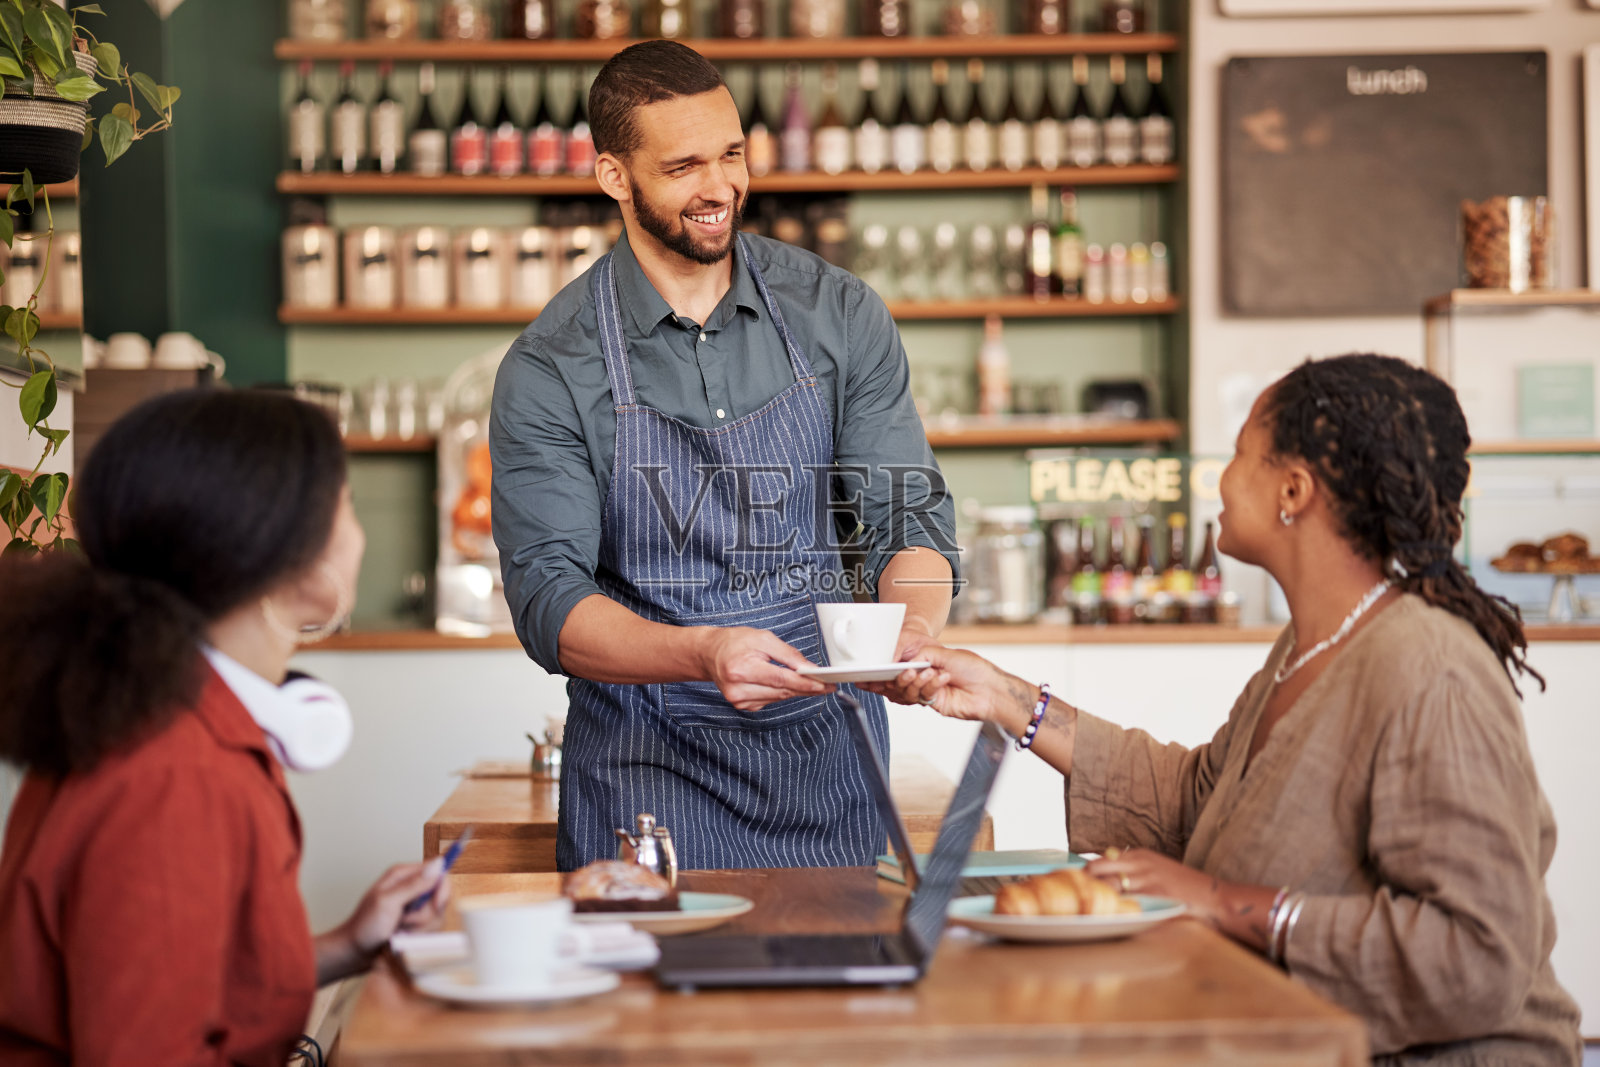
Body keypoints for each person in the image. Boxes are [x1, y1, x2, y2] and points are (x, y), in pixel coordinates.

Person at [878, 355, 1582, 1065]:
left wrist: (1223, 902)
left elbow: (1477, 953)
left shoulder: (1432, 667)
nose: (1220, 475)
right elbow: (1201, 802)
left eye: (1243, 452)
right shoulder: (1310, 646)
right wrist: (1005, 696)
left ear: (1294, 489)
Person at [490, 40, 958, 871]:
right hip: (644, 783)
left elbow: (908, 518)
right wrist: (705, 652)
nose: (720, 188)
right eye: (683, 167)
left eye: (733, 154)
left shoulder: (838, 313)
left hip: (831, 776)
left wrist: (910, 635)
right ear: (613, 177)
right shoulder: (552, 365)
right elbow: (549, 600)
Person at [0, 390, 450, 1066]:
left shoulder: (154, 713)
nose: (358, 532)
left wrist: (349, 942)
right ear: (292, 559)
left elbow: (191, 987)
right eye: (347, 505)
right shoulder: (174, 775)